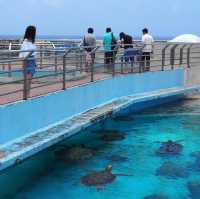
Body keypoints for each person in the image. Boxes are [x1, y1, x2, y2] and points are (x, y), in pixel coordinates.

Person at [19, 25, 37, 98]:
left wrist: (35, 63)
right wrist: (24, 66)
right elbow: (24, 55)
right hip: (27, 61)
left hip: (32, 61)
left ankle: (28, 95)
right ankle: (25, 95)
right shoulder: (25, 42)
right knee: (27, 80)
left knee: (29, 81)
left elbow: (33, 54)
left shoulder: (32, 42)